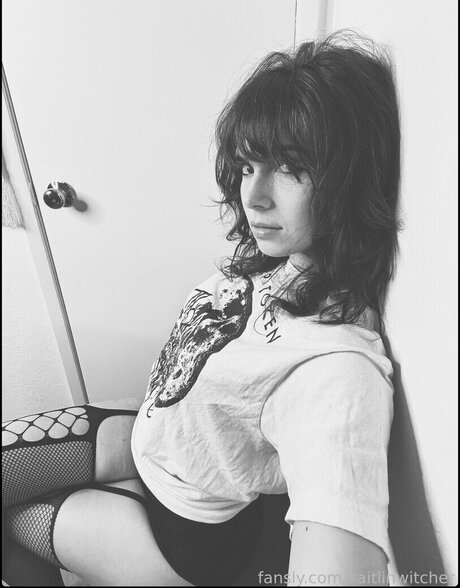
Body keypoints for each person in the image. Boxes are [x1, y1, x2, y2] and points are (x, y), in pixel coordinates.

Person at [2, 30, 401, 587]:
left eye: (290, 167)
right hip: (150, 442)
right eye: (248, 166)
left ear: (350, 178)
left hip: (182, 538)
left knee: (9, 527)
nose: (253, 196)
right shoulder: (279, 257)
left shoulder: (337, 367)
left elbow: (338, 553)